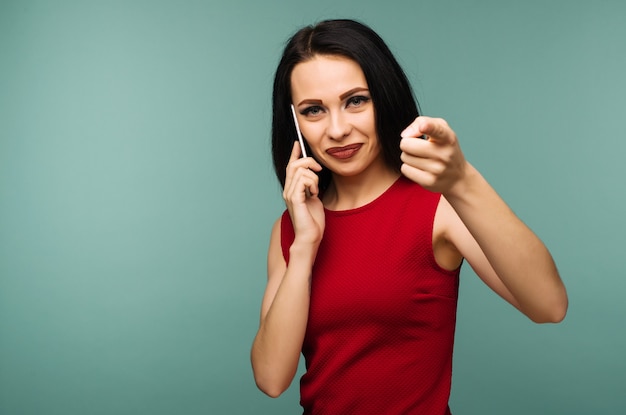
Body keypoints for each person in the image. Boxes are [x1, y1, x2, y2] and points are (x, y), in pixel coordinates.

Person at [250, 19, 568, 414]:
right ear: (295, 125)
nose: (337, 129)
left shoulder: (437, 206)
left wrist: (463, 181)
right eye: (314, 110)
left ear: (383, 97)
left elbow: (550, 306)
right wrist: (305, 247)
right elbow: (270, 378)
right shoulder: (292, 230)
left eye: (355, 101)